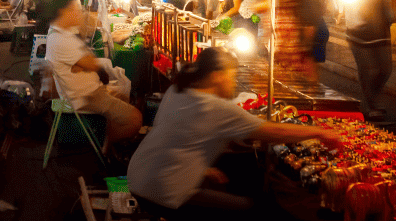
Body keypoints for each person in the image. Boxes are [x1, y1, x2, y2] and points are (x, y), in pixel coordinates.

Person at [127, 48, 341, 219]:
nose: (234, 82)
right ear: (218, 76)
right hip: (162, 192)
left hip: (137, 176)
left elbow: (175, 137)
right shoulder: (216, 107)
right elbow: (273, 131)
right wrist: (319, 133)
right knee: (250, 209)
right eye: (232, 76)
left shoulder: (178, 90)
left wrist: (202, 169)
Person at [45, 0, 142, 155]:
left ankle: (109, 145)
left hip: (87, 90)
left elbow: (88, 62)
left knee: (123, 96)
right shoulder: (62, 40)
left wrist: (83, 64)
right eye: (75, 9)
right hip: (87, 95)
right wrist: (86, 63)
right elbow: (92, 63)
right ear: (64, 12)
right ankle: (108, 145)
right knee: (136, 119)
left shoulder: (58, 33)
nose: (79, 13)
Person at [341, 0, 395, 121]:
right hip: (359, 34)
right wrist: (356, 24)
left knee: (385, 70)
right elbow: (350, 8)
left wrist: (392, 19)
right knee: (367, 71)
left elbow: (386, 5)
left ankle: (371, 99)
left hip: (381, 34)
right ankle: (371, 105)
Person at [293, 0, 330, 81]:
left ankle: (313, 97)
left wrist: (305, 43)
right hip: (317, 28)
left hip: (313, 31)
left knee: (311, 74)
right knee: (311, 71)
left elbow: (311, 17)